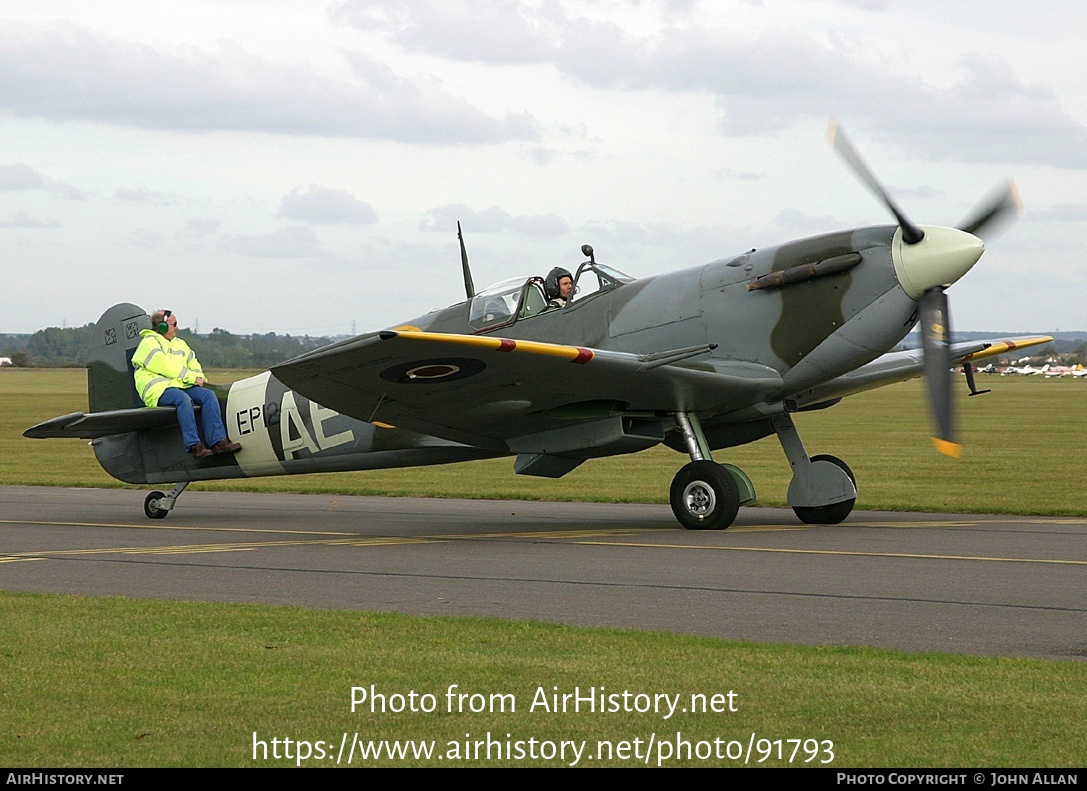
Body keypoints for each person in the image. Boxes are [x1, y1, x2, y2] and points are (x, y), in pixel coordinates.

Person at [132, 310, 241, 459]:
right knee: (183, 400)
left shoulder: (180, 344)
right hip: (157, 389)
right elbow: (165, 366)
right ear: (162, 327)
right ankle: (194, 445)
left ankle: (218, 441)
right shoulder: (149, 343)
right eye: (174, 324)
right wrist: (191, 377)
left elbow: (192, 361)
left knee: (208, 395)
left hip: (180, 384)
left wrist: (199, 377)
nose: (177, 328)